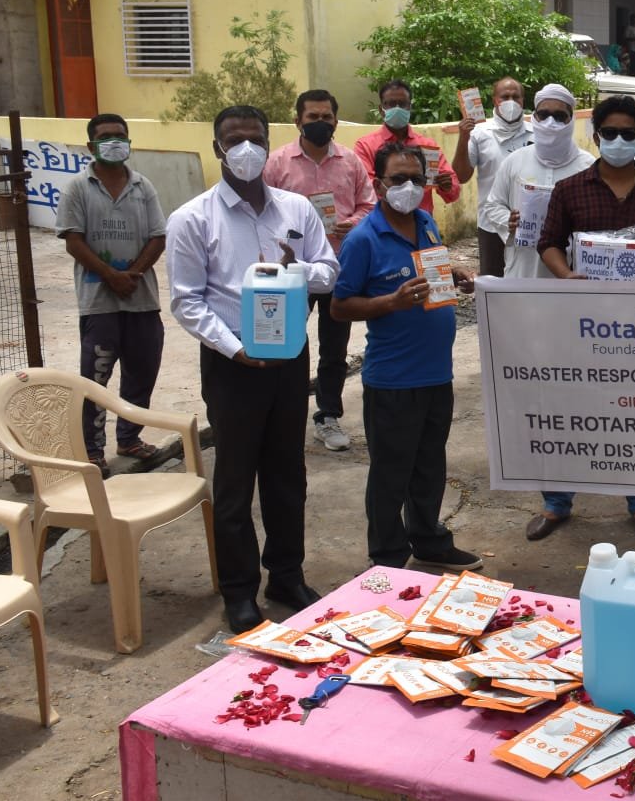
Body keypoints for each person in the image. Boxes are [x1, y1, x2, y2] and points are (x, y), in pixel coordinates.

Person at [167, 105, 339, 633]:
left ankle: (286, 574)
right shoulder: (192, 218)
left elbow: (329, 273)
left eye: (255, 139)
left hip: (289, 357)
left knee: (288, 474)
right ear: (218, 147)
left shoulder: (297, 210)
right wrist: (234, 349)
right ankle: (238, 591)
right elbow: (186, 302)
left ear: (270, 144)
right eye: (234, 140)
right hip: (233, 362)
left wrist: (298, 267)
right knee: (237, 480)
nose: (245, 149)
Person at [531, 95, 635, 541]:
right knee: (569, 409)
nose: (619, 141)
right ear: (595, 136)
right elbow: (548, 244)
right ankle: (556, 502)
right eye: (610, 133)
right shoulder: (570, 189)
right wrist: (567, 277)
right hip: (581, 321)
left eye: (628, 134)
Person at [332, 143, 482, 572]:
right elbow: (340, 307)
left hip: (437, 373)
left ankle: (430, 540)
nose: (409, 187)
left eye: (416, 178)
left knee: (429, 466)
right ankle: (388, 558)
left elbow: (428, 278)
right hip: (393, 380)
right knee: (390, 475)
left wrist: (451, 277)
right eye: (398, 179)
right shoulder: (363, 239)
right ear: (379, 185)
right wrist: (391, 302)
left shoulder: (427, 222)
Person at [263, 89, 376, 454]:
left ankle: (327, 415)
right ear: (297, 121)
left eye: (326, 117)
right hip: (293, 267)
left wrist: (353, 222)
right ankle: (284, 412)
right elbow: (262, 212)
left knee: (335, 348)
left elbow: (369, 204)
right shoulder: (277, 163)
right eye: (312, 117)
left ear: (336, 121)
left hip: (340, 266)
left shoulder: (351, 162)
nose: (320, 123)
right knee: (288, 340)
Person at [56, 113, 167, 473]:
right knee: (96, 377)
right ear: (91, 146)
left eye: (121, 135)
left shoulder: (143, 186)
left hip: (142, 300)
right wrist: (110, 275)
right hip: (99, 303)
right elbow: (73, 240)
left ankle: (130, 438)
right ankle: (92, 450)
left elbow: (158, 237)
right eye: (106, 137)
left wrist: (132, 274)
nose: (115, 142)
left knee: (142, 372)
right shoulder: (78, 187)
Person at [488, 84, 595, 280]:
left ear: (571, 120)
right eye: (544, 115)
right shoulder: (515, 161)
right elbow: (493, 204)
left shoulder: (588, 166)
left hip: (572, 274)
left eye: (559, 116)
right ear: (534, 117)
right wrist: (508, 220)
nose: (550, 122)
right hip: (522, 270)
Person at [453, 76, 530, 277]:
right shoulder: (479, 133)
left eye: (516, 97)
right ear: (495, 99)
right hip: (491, 225)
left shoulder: (535, 134)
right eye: (505, 97)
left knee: (525, 281)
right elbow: (461, 176)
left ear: (523, 101)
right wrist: (463, 138)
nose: (511, 102)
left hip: (527, 224)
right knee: (493, 282)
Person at [353, 80, 460, 214]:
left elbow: (454, 191)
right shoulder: (365, 146)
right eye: (391, 104)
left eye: (402, 104)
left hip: (422, 225)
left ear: (409, 107)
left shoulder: (428, 146)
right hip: (382, 225)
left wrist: (446, 186)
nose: (397, 108)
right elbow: (366, 189)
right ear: (381, 109)